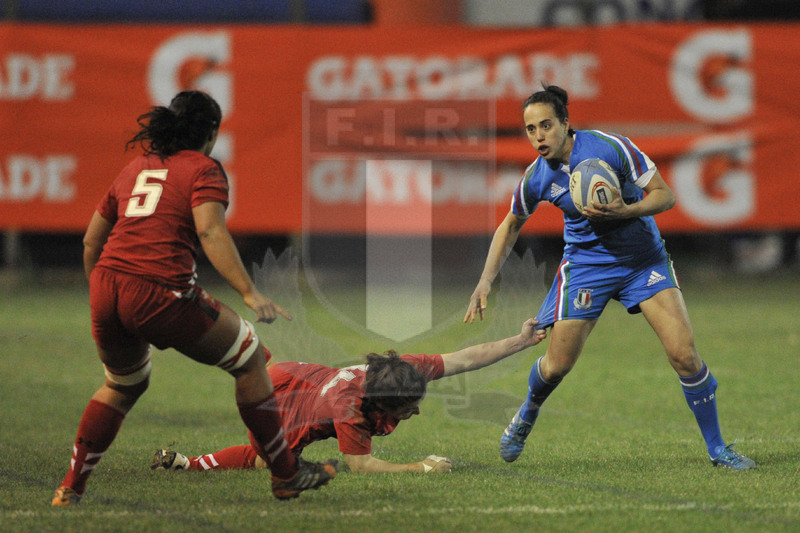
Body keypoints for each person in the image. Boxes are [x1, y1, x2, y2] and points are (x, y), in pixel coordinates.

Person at [52, 91, 338, 507]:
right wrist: (249, 291)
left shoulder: (137, 166)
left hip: (106, 285)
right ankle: (286, 474)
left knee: (122, 385)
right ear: (211, 133)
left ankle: (70, 487)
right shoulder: (203, 168)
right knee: (251, 357)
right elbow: (210, 231)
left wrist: (104, 296)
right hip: (159, 291)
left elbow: (91, 241)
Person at [463, 84, 756, 470]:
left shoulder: (610, 148)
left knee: (684, 355)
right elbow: (511, 222)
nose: (539, 136)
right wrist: (486, 280)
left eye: (546, 125)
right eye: (531, 129)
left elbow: (664, 195)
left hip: (643, 262)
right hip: (587, 268)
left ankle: (718, 449)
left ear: (565, 123)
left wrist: (625, 212)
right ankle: (528, 411)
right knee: (557, 366)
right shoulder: (537, 176)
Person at [150, 318, 547, 474]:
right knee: (265, 461)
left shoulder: (401, 371)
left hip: (295, 374)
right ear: (383, 405)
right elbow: (361, 465)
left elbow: (465, 358)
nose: (417, 412)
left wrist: (521, 341)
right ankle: (188, 464)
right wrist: (421, 467)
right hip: (284, 403)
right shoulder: (350, 408)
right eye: (409, 409)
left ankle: (223, 344)